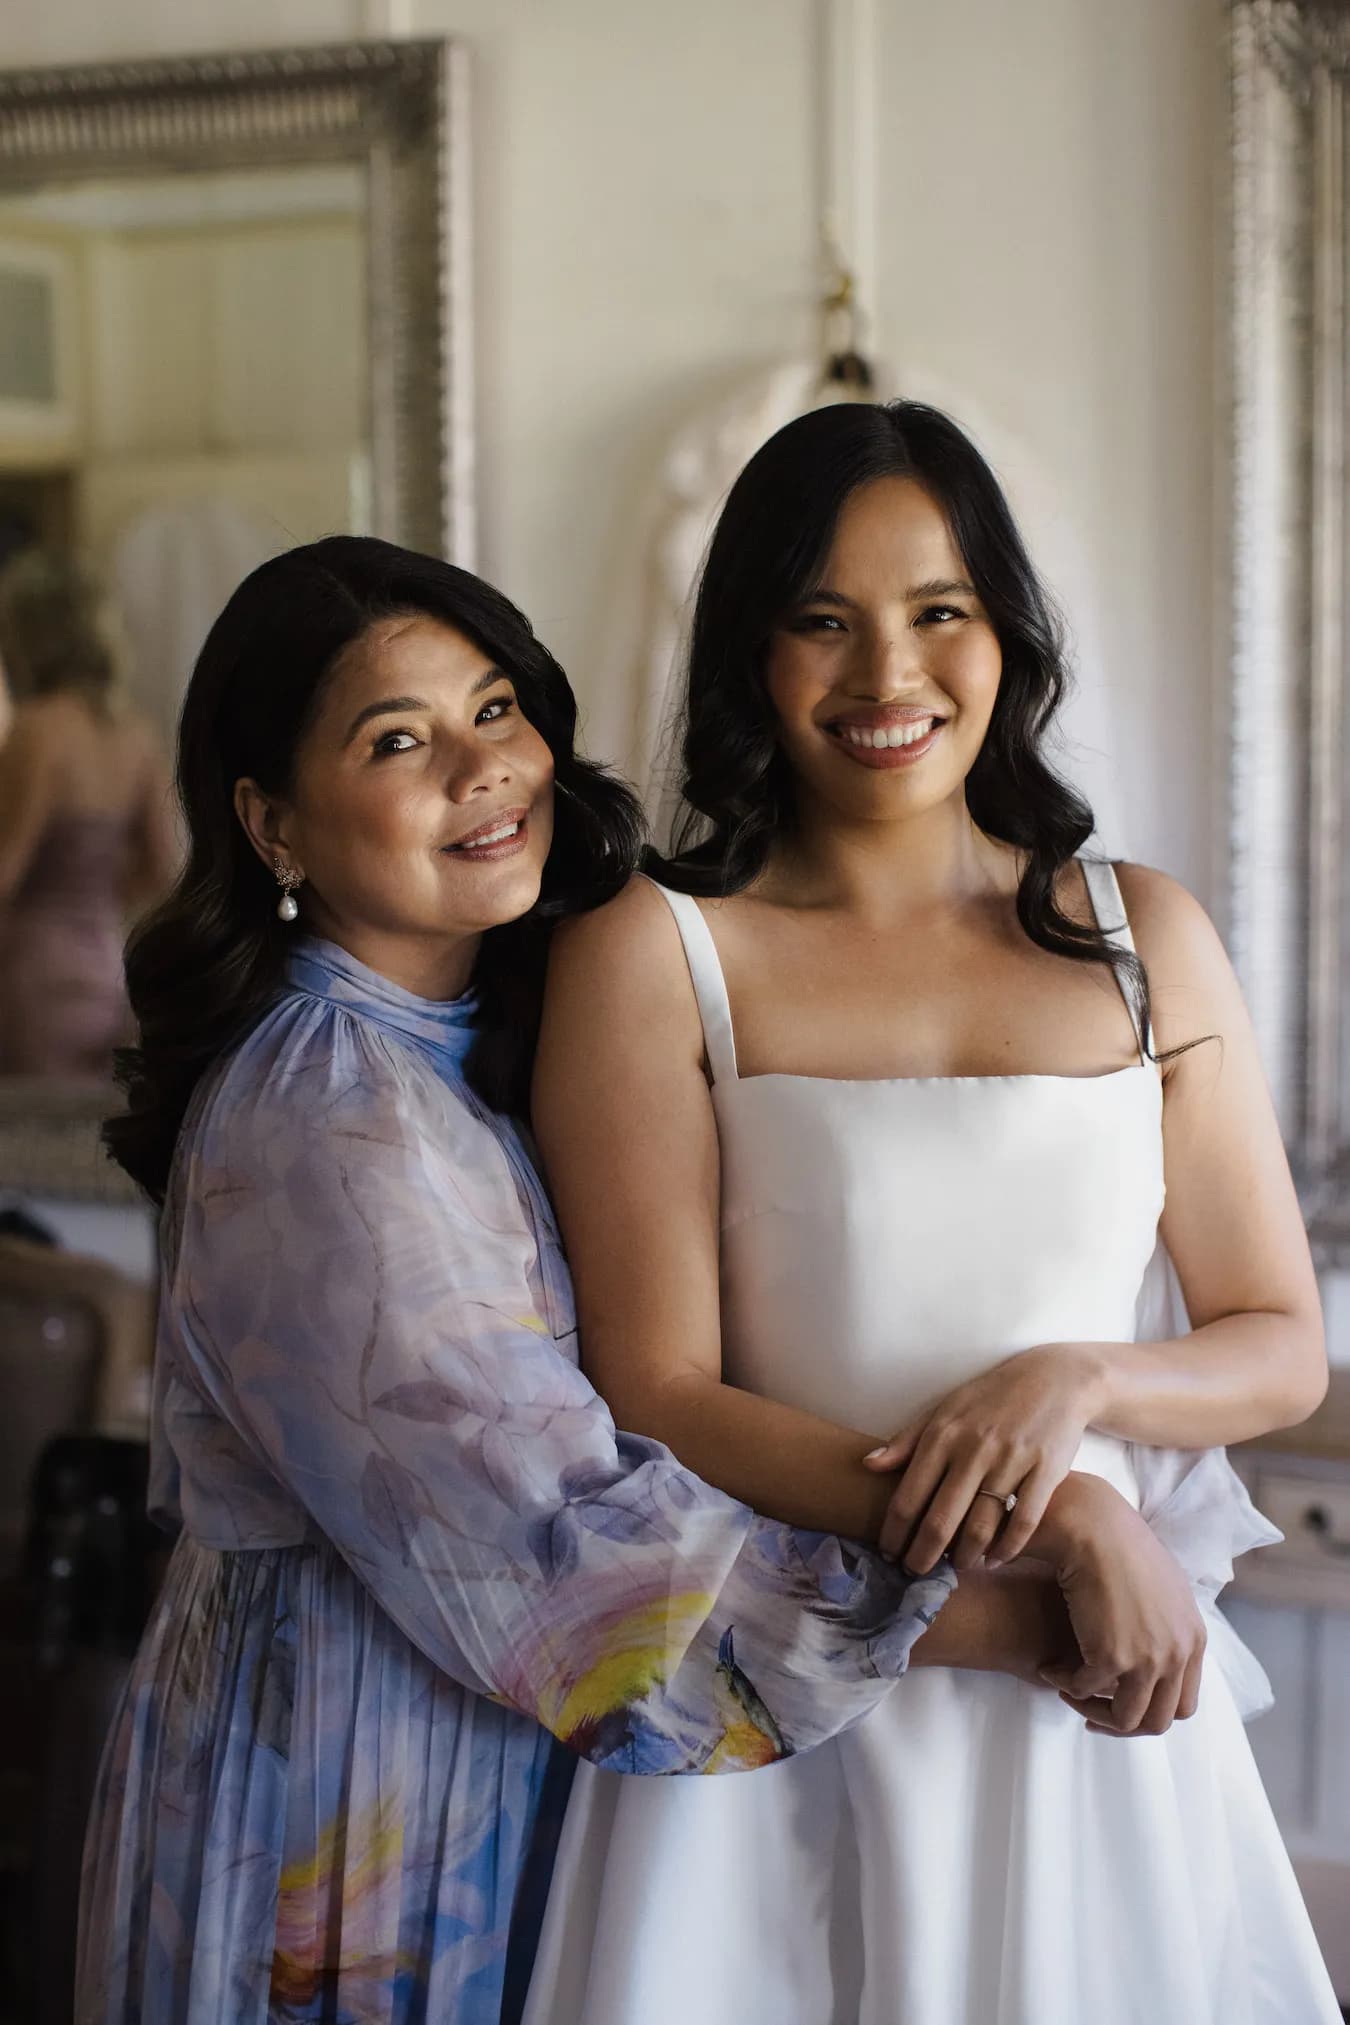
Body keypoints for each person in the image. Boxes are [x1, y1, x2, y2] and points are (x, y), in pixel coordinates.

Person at [77, 533, 1004, 2025]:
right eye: (399, 738)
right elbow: (575, 1556)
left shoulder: (466, 1042)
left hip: (470, 1773)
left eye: (495, 706)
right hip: (342, 1828)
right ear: (274, 824)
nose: (482, 765)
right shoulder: (331, 1129)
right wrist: (1010, 1623)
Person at [527, 402, 1339, 2024]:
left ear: (1007, 638)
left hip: (1096, 1699)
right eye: (823, 620)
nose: (886, 674)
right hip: (798, 1704)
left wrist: (1082, 1386)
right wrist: (1069, 1516)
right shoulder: (654, 950)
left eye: (937, 613)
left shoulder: (1142, 937)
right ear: (752, 653)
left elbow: (1278, 1347)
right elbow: (661, 1391)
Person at [0, 550, 177, 1077]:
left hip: (34, 972)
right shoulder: (135, 736)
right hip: (106, 965)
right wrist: (92, 899)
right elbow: (163, 871)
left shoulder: (37, 731)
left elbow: (5, 872)